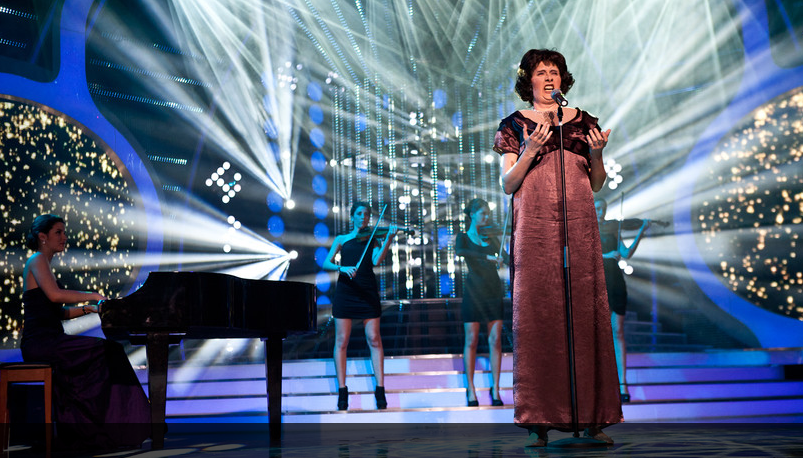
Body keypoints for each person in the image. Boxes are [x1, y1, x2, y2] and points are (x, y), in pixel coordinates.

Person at [494, 49, 622, 446]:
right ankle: (540, 418)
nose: (549, 77)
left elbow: (596, 183)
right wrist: (531, 150)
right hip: (535, 230)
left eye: (554, 71)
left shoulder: (583, 122)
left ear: (563, 80)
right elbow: (507, 184)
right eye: (541, 72)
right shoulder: (515, 124)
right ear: (528, 81)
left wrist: (597, 154)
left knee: (585, 314)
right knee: (540, 317)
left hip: (578, 227)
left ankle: (593, 415)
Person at [20, 214, 150, 450]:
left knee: (108, 351)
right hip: (41, 342)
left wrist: (88, 309)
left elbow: (58, 313)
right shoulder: (37, 260)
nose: (64, 237)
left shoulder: (44, 265)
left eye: (64, 232)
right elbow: (55, 296)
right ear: (42, 237)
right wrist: (93, 295)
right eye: (58, 232)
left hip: (52, 340)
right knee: (108, 350)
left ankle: (106, 428)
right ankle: (109, 427)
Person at [322, 202, 398, 411]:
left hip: (367, 290)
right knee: (341, 340)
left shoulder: (373, 238)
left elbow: (376, 260)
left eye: (366, 214)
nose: (363, 217)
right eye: (359, 213)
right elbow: (326, 262)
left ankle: (380, 389)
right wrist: (342, 268)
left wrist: (389, 239)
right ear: (352, 216)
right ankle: (342, 390)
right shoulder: (342, 239)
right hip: (346, 291)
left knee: (374, 338)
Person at [595, 200, 651, 403]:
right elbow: (580, 255)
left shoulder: (612, 229)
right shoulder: (585, 227)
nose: (601, 212)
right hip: (596, 281)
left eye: (603, 209)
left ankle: (622, 383)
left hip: (616, 281)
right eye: (597, 208)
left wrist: (641, 231)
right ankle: (600, 382)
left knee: (617, 331)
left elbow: (626, 253)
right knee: (598, 332)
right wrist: (606, 255)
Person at [455, 198, 506, 407]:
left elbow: (507, 258)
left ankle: (496, 388)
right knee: (472, 340)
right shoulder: (463, 237)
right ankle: (471, 388)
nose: (486, 217)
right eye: (483, 214)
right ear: (472, 215)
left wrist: (503, 257)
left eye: (487, 214)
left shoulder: (491, 237)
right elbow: (461, 252)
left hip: (493, 291)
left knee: (495, 340)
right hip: (473, 292)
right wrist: (488, 258)